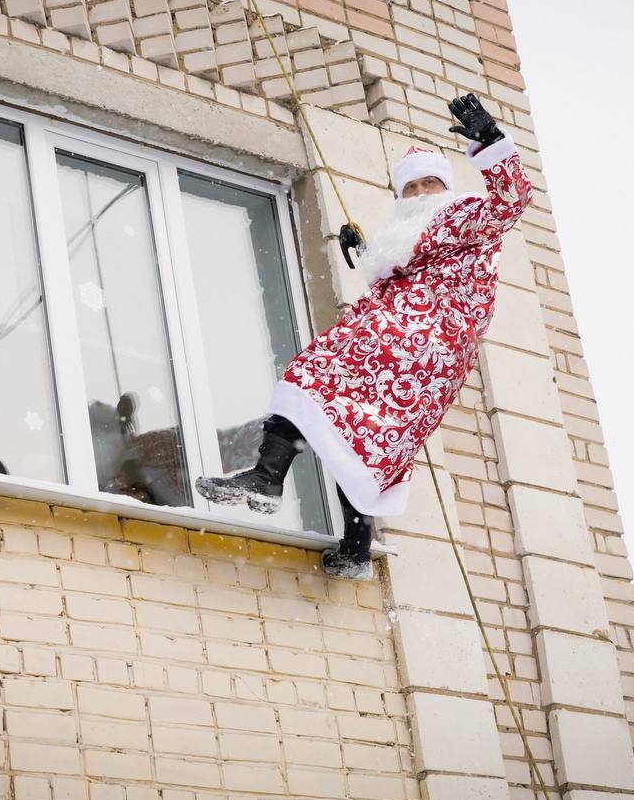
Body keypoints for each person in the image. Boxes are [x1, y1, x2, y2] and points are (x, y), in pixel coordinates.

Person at [196, 94, 533, 579]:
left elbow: (510, 202)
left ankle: (268, 480)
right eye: (410, 187)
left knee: (317, 378)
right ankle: (350, 545)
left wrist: (491, 141)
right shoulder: (407, 233)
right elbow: (412, 265)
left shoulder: (464, 216)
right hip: (402, 344)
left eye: (429, 183)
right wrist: (368, 255)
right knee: (355, 429)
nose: (420, 193)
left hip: (424, 341)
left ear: (446, 187)